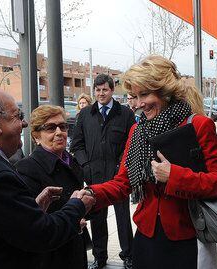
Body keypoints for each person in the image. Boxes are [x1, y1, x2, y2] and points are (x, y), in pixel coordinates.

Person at [79, 55, 217, 269]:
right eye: (135, 96)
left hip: (188, 237)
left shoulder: (199, 125)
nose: (139, 104)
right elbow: (123, 183)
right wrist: (92, 194)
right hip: (146, 237)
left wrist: (173, 176)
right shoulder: (137, 130)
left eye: (145, 94)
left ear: (165, 90)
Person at [0, 87, 95, 268]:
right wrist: (77, 205)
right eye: (17, 116)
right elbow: (41, 235)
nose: (24, 123)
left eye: (63, 126)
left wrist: (32, 209)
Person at [71, 74, 135, 269]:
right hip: (94, 176)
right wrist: (85, 165)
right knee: (98, 219)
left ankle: (129, 255)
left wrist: (122, 167)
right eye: (97, 90)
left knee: (123, 218)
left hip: (119, 177)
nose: (100, 94)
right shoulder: (85, 115)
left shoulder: (124, 114)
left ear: (112, 90)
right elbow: (77, 145)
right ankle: (100, 256)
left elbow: (131, 144)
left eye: (104, 90)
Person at [15, 105, 88, 269]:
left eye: (62, 126)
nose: (59, 132)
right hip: (50, 255)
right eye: (50, 128)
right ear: (36, 136)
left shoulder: (72, 162)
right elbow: (31, 222)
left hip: (75, 247)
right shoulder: (27, 169)